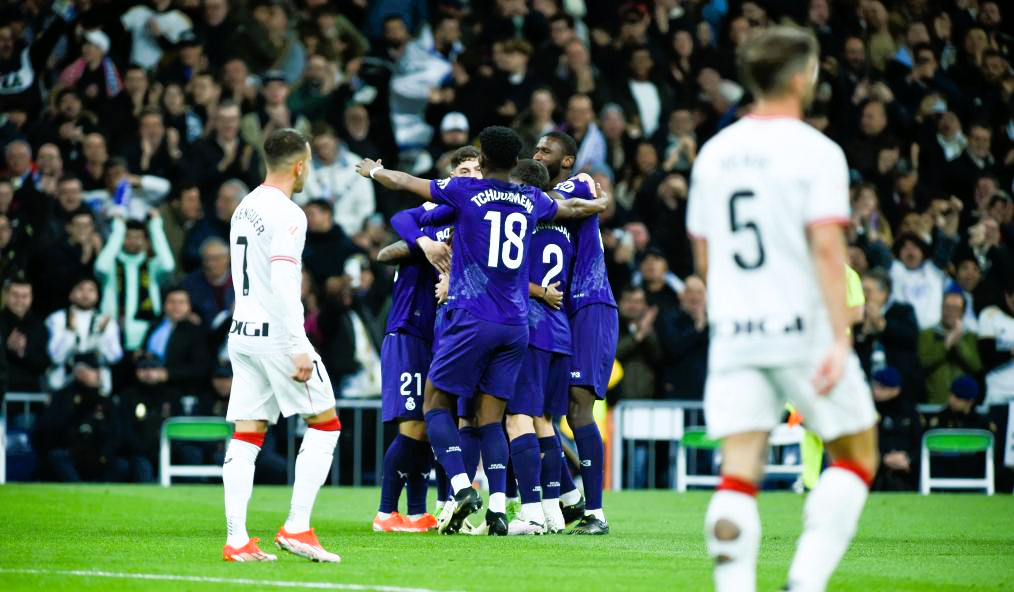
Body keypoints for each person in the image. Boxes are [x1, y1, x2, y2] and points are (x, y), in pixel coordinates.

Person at [685, 27, 878, 592]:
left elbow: (704, 257)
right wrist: (840, 338)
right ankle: (805, 581)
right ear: (801, 77)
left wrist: (735, 313)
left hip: (737, 331)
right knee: (858, 452)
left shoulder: (715, 154)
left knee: (739, 472)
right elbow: (827, 249)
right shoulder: (817, 152)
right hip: (803, 328)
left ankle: (735, 583)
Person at [356, 126, 607, 535]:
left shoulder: (464, 192)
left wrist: (374, 172)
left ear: (484, 161)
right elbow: (573, 210)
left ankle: (458, 487)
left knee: (436, 404)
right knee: (496, 420)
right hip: (515, 324)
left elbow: (405, 184)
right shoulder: (531, 198)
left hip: (472, 317)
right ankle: (499, 510)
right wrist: (602, 201)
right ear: (517, 161)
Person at [221, 128, 341, 563]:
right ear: (300, 165)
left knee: (248, 432)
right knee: (326, 424)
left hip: (243, 332)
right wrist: (298, 343)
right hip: (276, 335)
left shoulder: (244, 206)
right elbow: (285, 278)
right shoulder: (289, 213)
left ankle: (236, 539)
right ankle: (297, 527)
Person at [369, 146, 478, 533]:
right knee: (413, 426)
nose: (470, 177)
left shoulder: (475, 221)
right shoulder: (437, 214)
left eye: (476, 171)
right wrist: (424, 244)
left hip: (443, 336)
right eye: (463, 170)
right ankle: (385, 512)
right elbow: (399, 218)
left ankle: (416, 511)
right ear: (450, 178)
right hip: (409, 330)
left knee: (431, 425)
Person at [532, 130, 618, 534]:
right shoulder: (536, 207)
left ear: (567, 160)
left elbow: (592, 201)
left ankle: (596, 514)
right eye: (535, 148)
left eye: (546, 150)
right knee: (545, 410)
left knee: (578, 408)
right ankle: (569, 499)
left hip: (591, 303)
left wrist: (601, 201)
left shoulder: (578, 183)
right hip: (559, 313)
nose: (537, 154)